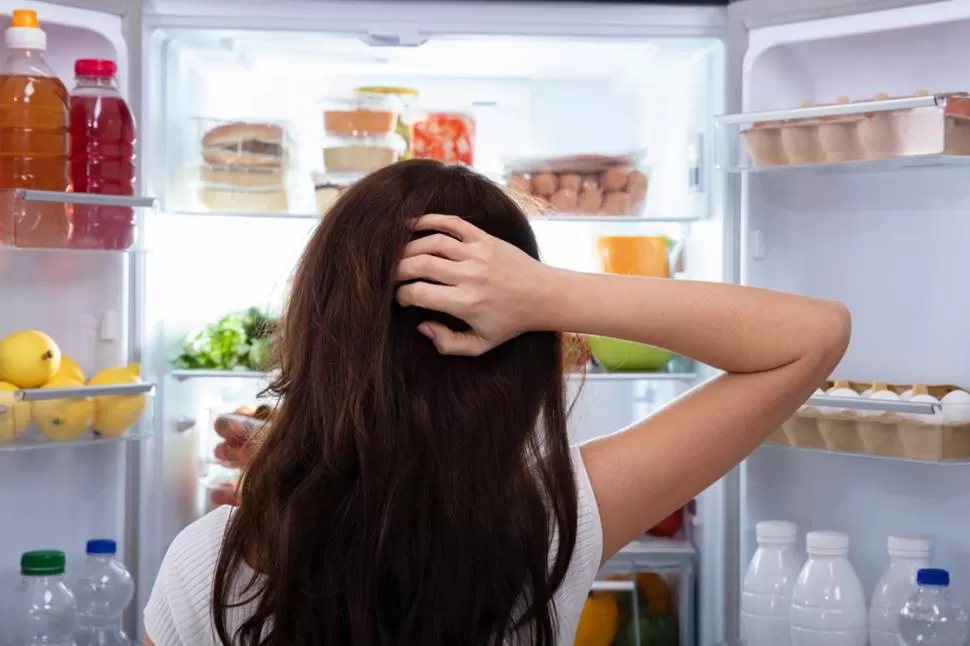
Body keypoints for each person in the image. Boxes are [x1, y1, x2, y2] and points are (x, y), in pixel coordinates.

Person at [142, 159, 850, 646]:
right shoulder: (549, 525)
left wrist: (318, 475)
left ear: (316, 332)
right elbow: (813, 336)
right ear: (524, 354)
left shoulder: (206, 562)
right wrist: (548, 294)